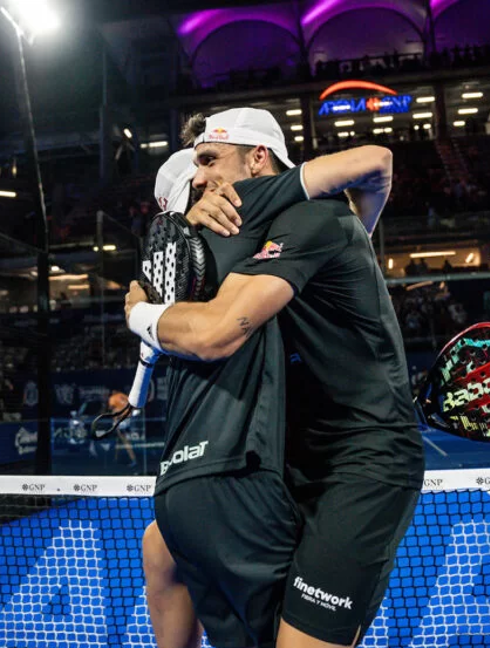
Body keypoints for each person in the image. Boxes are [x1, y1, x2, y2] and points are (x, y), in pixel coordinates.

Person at [130, 108, 409, 648]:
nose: (202, 178)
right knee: (160, 546)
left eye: (209, 162)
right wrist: (185, 227)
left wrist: (137, 312)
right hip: (296, 452)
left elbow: (376, 161)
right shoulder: (243, 242)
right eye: (194, 173)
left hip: (360, 459)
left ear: (259, 158)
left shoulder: (315, 216)